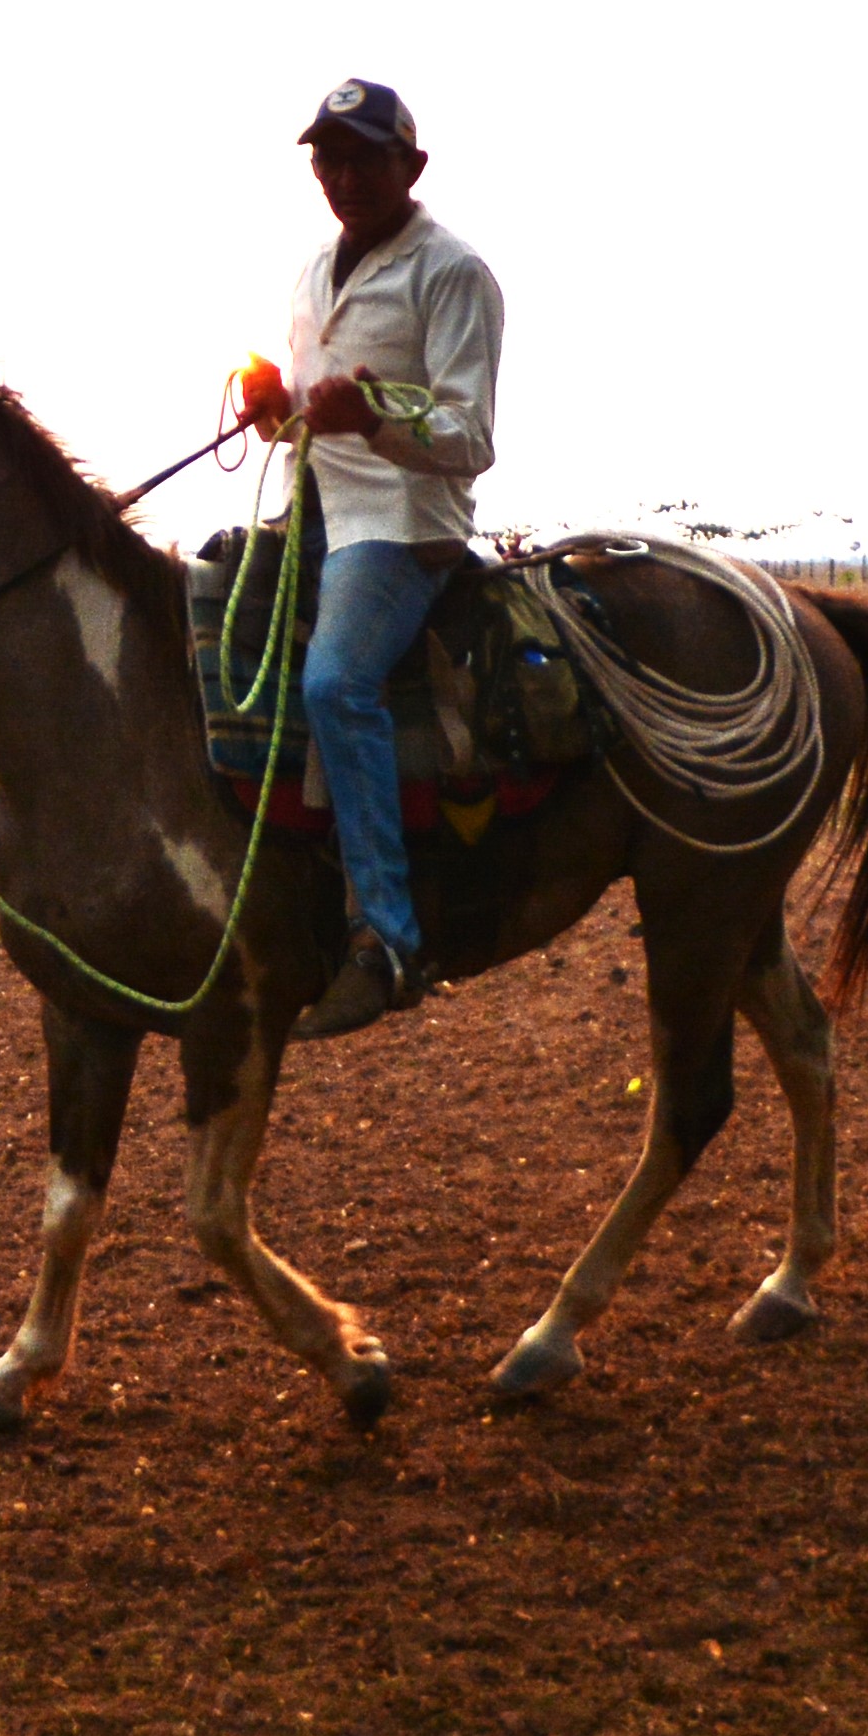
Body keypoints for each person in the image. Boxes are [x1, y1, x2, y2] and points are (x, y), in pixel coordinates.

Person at [234, 78, 500, 1038]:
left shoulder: (453, 273)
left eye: (361, 160)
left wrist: (377, 413)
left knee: (337, 683)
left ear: (412, 167)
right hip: (316, 509)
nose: (341, 178)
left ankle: (384, 938)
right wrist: (276, 411)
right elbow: (308, 415)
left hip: (400, 522)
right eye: (325, 161)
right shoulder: (312, 273)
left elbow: (469, 432)